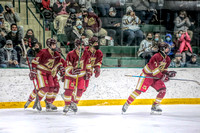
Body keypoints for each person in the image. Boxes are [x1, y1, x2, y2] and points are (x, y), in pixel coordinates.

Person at [122, 42, 176, 114]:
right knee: (138, 91)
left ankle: (155, 105)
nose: (169, 49)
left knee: (163, 90)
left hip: (156, 77)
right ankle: (127, 104)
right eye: (167, 48)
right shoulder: (155, 56)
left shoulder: (168, 59)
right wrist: (163, 77)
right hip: (147, 76)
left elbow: (163, 70)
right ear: (163, 49)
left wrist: (167, 74)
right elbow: (155, 71)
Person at [25, 38, 65, 111]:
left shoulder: (56, 54)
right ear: (49, 45)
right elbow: (35, 62)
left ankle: (48, 102)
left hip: (49, 73)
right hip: (41, 72)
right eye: (53, 45)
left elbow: (59, 63)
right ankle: (37, 101)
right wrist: (33, 70)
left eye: (55, 44)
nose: (55, 46)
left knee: (52, 87)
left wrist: (62, 69)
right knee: (44, 88)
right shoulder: (43, 52)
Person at [62, 39, 92, 113]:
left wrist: (88, 73)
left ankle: (74, 103)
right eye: (80, 45)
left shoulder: (86, 54)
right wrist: (72, 70)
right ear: (76, 46)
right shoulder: (71, 54)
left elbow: (88, 64)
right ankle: (67, 105)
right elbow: (67, 65)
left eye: (83, 45)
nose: (82, 47)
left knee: (80, 90)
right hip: (71, 76)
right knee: (69, 90)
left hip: (81, 75)